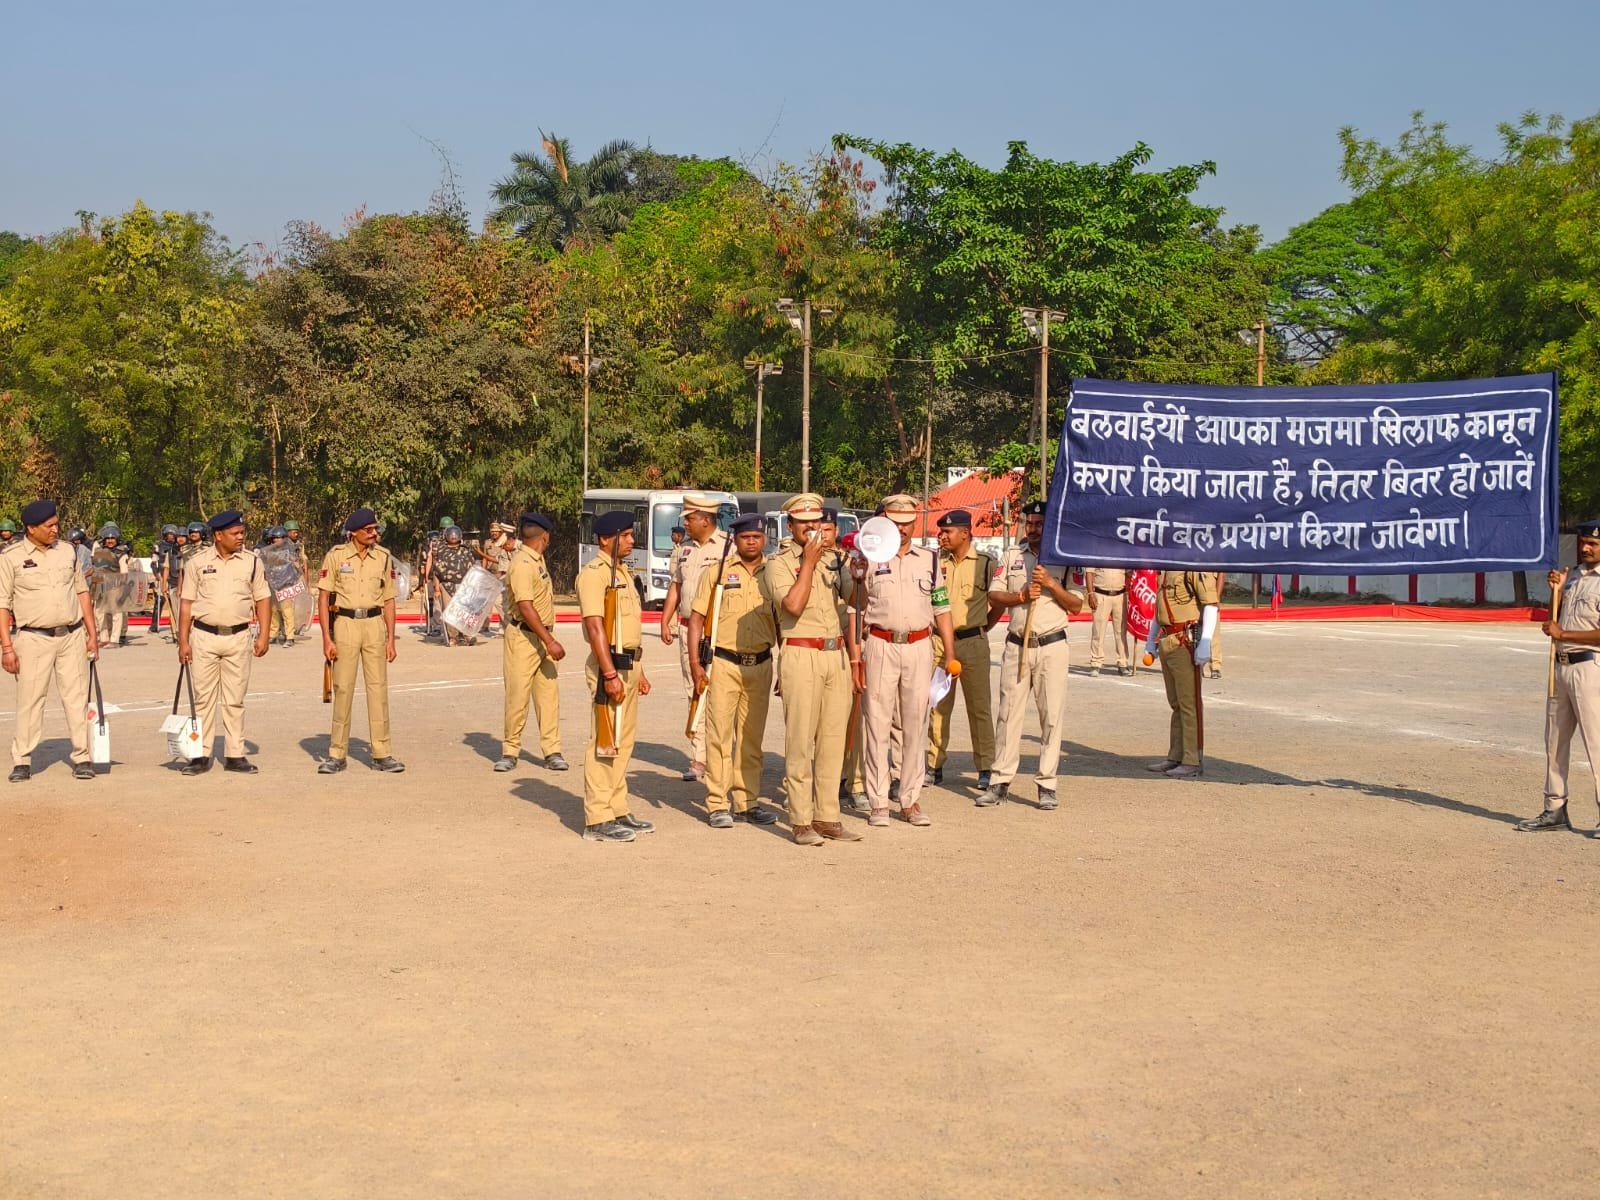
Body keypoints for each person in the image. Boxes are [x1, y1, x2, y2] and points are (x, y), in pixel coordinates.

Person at [849, 493, 959, 828]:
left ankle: (910, 800)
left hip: (919, 645)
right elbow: (856, 607)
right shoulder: (868, 558)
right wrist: (856, 657)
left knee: (915, 723)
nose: (903, 529)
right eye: (896, 523)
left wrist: (950, 654)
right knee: (877, 723)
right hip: (880, 643)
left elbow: (941, 607)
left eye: (908, 522)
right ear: (884, 521)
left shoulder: (929, 559)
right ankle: (879, 802)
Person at [978, 501, 1086, 810]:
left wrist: (1051, 584)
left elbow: (1076, 605)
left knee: (1051, 717)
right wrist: (1021, 596)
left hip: (1052, 646)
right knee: (1008, 715)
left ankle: (1047, 784)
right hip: (1017, 646)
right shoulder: (1013, 555)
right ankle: (999, 782)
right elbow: (994, 594)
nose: (1034, 529)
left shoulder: (1067, 557)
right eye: (1031, 523)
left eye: (1040, 523)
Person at [770, 496, 861, 844]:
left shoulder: (836, 560)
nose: (811, 527)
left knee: (833, 740)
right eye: (803, 522)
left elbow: (858, 603)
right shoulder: (779, 563)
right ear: (791, 526)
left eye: (816, 521)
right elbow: (792, 605)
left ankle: (827, 816)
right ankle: (801, 820)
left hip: (835, 653)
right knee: (800, 740)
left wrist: (860, 576)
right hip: (801, 652)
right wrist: (808, 562)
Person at [686, 511, 780, 830]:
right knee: (719, 736)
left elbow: (782, 621)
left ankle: (747, 801)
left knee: (752, 739)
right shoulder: (718, 572)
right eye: (744, 537)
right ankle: (717, 802)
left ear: (764, 538)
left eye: (756, 536)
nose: (751, 542)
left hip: (761, 664)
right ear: (735, 539)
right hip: (724, 663)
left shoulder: (775, 573)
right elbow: (697, 619)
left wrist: (785, 667)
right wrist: (696, 665)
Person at [0, 500, 99, 781]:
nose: (55, 529)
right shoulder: (10, 557)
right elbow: (3, 605)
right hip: (33, 639)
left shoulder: (67, 551)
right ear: (31, 528)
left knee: (77, 698)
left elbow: (82, 593)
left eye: (56, 524)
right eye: (49, 526)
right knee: (30, 700)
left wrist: (92, 634)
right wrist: (7, 648)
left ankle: (82, 756)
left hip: (71, 635)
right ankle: (22, 760)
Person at [577, 510, 654, 842]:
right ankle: (598, 818)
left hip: (628, 665)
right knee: (605, 741)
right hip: (610, 667)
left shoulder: (622, 572)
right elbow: (596, 628)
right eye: (626, 535)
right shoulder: (594, 575)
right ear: (606, 539)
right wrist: (609, 673)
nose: (632, 541)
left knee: (623, 741)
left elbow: (628, 629)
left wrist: (640, 671)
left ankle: (617, 807)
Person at [1518, 520, 1600, 833]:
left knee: (1596, 742)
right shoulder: (1574, 575)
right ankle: (1554, 808)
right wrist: (1557, 592)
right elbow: (1558, 616)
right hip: (1561, 666)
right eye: (1583, 542)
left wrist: (1563, 633)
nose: (1585, 548)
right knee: (1554, 741)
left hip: (1590, 668)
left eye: (1593, 544)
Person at [176, 510, 271, 775]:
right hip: (204, 637)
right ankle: (200, 755)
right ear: (219, 535)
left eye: (242, 533)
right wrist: (183, 641)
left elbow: (262, 598)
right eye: (235, 533)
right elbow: (186, 603)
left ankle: (235, 755)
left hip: (239, 637)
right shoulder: (196, 562)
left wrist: (264, 635)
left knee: (235, 699)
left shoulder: (252, 562)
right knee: (203, 699)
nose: (241, 537)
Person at [316, 508, 403, 774]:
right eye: (369, 530)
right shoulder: (336, 556)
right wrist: (326, 638)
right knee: (343, 689)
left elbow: (389, 599)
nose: (374, 534)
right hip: (346, 624)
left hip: (374, 624)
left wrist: (391, 639)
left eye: (376, 529)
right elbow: (323, 598)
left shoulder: (383, 557)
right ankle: (337, 754)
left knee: (378, 689)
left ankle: (382, 753)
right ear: (354, 533)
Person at [926, 509, 1000, 790]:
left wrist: (981, 628)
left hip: (973, 644)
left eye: (948, 532)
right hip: (939, 643)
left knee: (979, 707)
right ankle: (933, 765)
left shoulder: (985, 564)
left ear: (965, 533)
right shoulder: (934, 562)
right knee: (937, 705)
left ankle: (985, 767)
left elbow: (998, 601)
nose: (941, 536)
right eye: (941, 531)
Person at [660, 492, 728, 782]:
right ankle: (699, 756)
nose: (685, 523)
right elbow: (676, 585)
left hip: (717, 629)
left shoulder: (728, 547)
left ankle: (721, 754)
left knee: (721, 692)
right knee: (694, 689)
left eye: (689, 518)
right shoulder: (684, 549)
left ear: (706, 519)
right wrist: (665, 619)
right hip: (689, 628)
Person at [495, 512, 568, 774]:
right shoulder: (522, 564)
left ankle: (552, 751)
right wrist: (550, 641)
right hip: (525, 638)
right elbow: (525, 606)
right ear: (545, 537)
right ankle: (510, 751)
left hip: (543, 636)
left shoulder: (536, 559)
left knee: (548, 697)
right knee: (518, 696)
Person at [1144, 569, 1219, 780]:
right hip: (1168, 638)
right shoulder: (1165, 568)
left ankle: (1191, 760)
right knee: (1176, 703)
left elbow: (1210, 605)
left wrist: (1205, 642)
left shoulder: (1193, 567)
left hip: (1184, 639)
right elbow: (1159, 610)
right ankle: (1176, 755)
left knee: (1189, 704)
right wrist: (1151, 640)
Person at [429, 525, 478, 647]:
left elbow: (473, 569)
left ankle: (468, 635)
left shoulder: (466, 551)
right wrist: (436, 588)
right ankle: (453, 636)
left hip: (464, 585)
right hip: (447, 585)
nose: (453, 537)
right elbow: (436, 571)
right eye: (451, 534)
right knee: (450, 611)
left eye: (456, 534)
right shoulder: (441, 551)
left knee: (465, 610)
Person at [1084, 563, 1134, 677]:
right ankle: (1096, 664)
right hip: (1101, 595)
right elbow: (1089, 573)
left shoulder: (1123, 554)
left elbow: (1129, 573)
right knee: (1098, 631)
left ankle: (1123, 664)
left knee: (1121, 632)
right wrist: (1090, 593)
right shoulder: (1097, 553)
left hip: (1120, 595)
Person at [151, 524, 182, 642]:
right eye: (169, 534)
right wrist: (156, 574)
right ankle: (154, 625)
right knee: (160, 600)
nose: (171, 536)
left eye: (173, 534)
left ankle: (175, 627)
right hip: (161, 574)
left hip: (173, 575)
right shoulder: (158, 545)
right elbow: (154, 561)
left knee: (175, 603)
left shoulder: (178, 546)